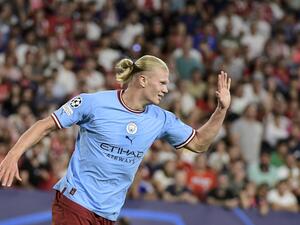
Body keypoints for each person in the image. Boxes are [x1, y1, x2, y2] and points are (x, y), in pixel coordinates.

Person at [0, 55, 231, 224]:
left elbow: (199, 143)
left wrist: (221, 110)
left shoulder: (162, 119)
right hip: (75, 203)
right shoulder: (94, 103)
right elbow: (45, 125)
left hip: (108, 214)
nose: (166, 89)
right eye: (162, 82)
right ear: (142, 80)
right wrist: (13, 154)